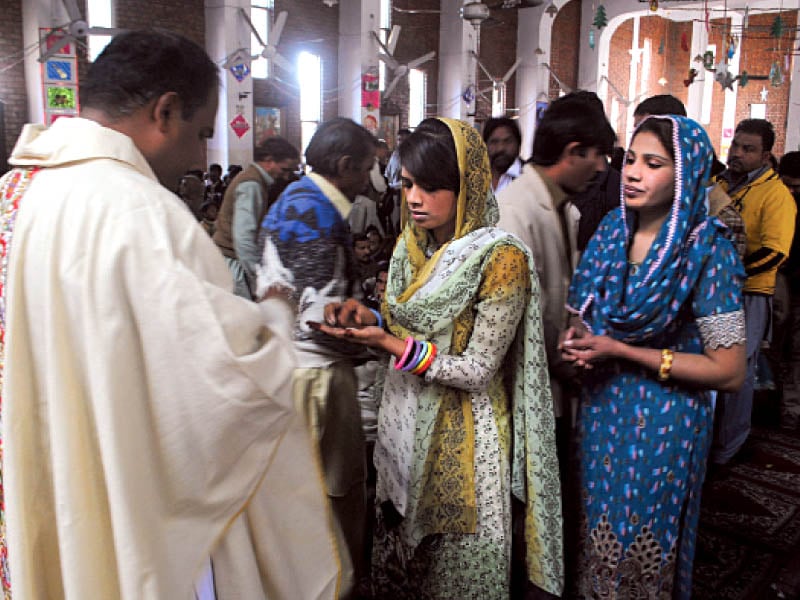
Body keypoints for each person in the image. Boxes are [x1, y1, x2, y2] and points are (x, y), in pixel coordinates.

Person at [0, 29, 340, 600]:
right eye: (203, 132)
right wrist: (276, 317)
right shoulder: (140, 212)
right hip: (119, 487)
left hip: (31, 466)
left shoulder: (14, 193)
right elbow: (224, 385)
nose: (200, 154)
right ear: (166, 111)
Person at [314, 117, 563, 598]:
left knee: (455, 576)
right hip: (402, 426)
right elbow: (410, 328)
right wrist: (369, 320)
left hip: (465, 439)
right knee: (403, 573)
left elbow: (475, 371)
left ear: (465, 184)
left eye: (430, 187)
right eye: (407, 183)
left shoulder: (500, 258)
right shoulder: (412, 247)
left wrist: (388, 345)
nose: (413, 198)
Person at [561, 115, 746, 597]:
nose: (632, 173)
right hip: (604, 412)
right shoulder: (610, 233)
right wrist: (577, 343)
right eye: (629, 160)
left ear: (686, 175)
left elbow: (728, 371)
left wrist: (623, 349)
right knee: (598, 532)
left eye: (653, 163)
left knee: (640, 541)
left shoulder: (709, 250)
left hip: (665, 422)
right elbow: (582, 317)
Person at [256, 117, 378, 588]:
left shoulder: (290, 199)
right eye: (366, 168)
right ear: (345, 165)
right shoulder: (320, 215)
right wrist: (379, 332)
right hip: (318, 376)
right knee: (331, 498)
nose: (370, 179)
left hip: (288, 368)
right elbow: (322, 317)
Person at [711, 119, 796, 466]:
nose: (738, 155)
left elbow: (776, 252)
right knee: (711, 365)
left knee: (736, 373)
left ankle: (729, 448)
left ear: (764, 155)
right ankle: (708, 441)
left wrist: (732, 275)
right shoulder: (719, 185)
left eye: (748, 150)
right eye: (736, 147)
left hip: (749, 293)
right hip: (713, 291)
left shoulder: (776, 196)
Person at [213, 136, 299, 299]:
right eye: (284, 169)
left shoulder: (254, 180)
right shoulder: (252, 185)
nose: (286, 177)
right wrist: (260, 279)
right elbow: (244, 238)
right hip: (234, 263)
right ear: (269, 160)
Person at [772, 151, 800, 429]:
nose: (791, 191)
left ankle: (791, 410)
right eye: (787, 184)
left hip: (794, 282)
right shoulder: (778, 201)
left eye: (797, 186)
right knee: (774, 347)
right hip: (779, 281)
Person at [482, 117, 524, 193]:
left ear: (518, 144)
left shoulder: (531, 177)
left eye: (508, 141)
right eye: (494, 142)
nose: (500, 148)